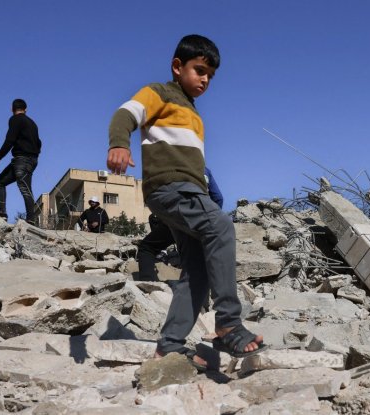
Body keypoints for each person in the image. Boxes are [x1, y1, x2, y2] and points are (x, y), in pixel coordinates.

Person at [106, 34, 266, 369]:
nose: (205, 79)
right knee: (221, 227)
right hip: (169, 188)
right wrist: (119, 144)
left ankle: (169, 347)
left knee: (196, 270)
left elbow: (193, 161)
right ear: (178, 66)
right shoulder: (160, 93)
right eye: (199, 70)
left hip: (190, 191)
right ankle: (228, 323)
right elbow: (125, 113)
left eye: (210, 75)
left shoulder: (194, 115)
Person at [137, 166, 223, 282]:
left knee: (146, 248)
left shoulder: (174, 163)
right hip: (201, 220)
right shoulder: (204, 169)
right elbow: (218, 198)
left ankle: (150, 286)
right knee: (196, 257)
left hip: (178, 217)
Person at [0, 99, 42, 224]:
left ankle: (30, 220)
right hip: (30, 160)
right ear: (26, 109)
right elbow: (39, 142)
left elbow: (10, 140)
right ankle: (2, 214)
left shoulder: (15, 119)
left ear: (12, 109)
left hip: (22, 159)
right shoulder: (32, 123)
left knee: (24, 188)